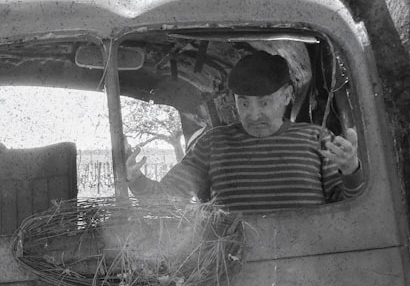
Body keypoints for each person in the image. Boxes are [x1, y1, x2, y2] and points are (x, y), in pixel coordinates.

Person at [126, 51, 363, 212]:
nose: (253, 114)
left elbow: (349, 210)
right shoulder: (212, 144)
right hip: (236, 270)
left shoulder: (318, 139)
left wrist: (351, 171)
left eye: (264, 102)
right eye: (244, 103)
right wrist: (136, 180)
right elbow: (169, 200)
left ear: (287, 95)